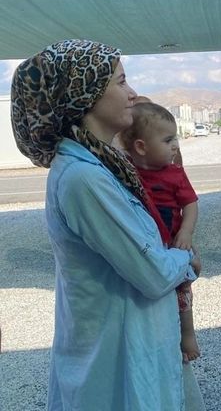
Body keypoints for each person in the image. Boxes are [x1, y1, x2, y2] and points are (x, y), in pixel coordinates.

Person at [11, 39, 202, 410]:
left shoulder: (105, 165)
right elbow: (153, 274)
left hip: (134, 346)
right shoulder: (84, 178)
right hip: (118, 361)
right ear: (87, 95)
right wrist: (187, 260)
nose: (132, 94)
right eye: (121, 82)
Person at [120, 101, 202, 361]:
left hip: (173, 244)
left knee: (183, 290)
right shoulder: (126, 171)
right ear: (141, 147)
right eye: (168, 140)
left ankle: (187, 336)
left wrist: (186, 233)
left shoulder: (175, 174)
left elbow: (190, 204)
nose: (175, 145)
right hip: (146, 245)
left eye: (175, 138)